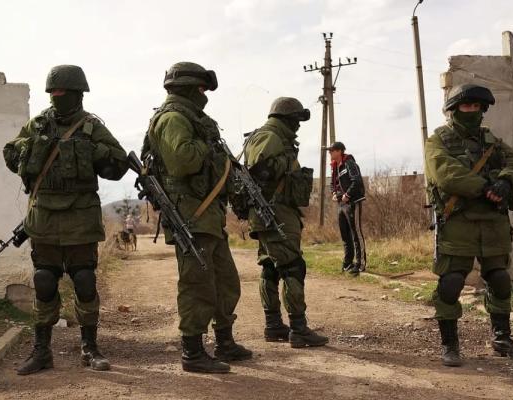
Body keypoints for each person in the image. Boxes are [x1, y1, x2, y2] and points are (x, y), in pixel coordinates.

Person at [2, 65, 128, 375]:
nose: (57, 97)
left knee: (85, 281)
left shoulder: (91, 127)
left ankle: (90, 348)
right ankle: (41, 351)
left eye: (63, 92)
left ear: (78, 94)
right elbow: (10, 154)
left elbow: (118, 165)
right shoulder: (38, 125)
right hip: (44, 218)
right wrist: (29, 150)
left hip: (81, 219)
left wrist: (92, 151)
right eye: (53, 92)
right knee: (44, 281)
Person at [141, 61, 252, 374]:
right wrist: (209, 147)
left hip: (208, 214)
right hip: (191, 214)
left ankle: (225, 342)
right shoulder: (172, 118)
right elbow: (183, 161)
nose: (205, 95)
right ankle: (192, 352)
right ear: (189, 89)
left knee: (226, 281)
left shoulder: (194, 119)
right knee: (197, 284)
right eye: (202, 89)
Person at [424, 83, 513, 367]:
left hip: (493, 220)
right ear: (453, 109)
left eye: (476, 106)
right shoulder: (438, 140)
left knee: (500, 279)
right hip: (458, 221)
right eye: (465, 105)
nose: (471, 110)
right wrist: (485, 187)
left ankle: (502, 338)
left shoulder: (491, 141)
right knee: (451, 283)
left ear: (483, 109)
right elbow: (445, 173)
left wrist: (505, 182)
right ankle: (450, 345)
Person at [243, 97, 328, 348]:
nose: (298, 126)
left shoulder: (270, 136)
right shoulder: (271, 137)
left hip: (271, 212)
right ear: (286, 119)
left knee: (271, 266)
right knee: (292, 267)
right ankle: (298, 329)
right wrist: (286, 163)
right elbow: (259, 169)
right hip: (274, 212)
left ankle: (273, 326)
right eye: (296, 120)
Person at [329, 142, 367, 275]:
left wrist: (348, 195)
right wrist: (334, 193)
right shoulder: (335, 167)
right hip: (341, 204)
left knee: (356, 233)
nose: (330, 153)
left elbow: (357, 181)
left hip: (352, 202)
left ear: (339, 151)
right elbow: (332, 184)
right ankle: (348, 262)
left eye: (332, 150)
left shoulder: (349, 163)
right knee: (345, 234)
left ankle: (360, 263)